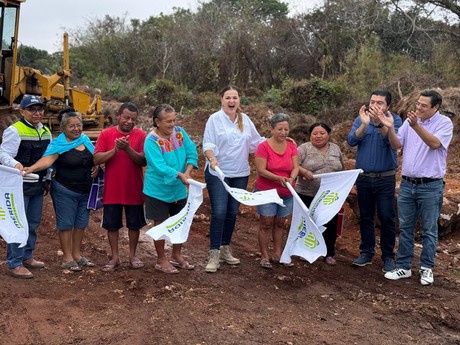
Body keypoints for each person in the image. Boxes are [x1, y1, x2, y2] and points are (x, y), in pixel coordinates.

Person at [380, 89, 453, 285]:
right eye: (418, 104)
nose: (418, 107)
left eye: (423, 105)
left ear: (435, 107)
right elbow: (396, 145)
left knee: (429, 229)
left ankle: (426, 268)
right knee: (405, 228)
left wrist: (416, 126)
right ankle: (403, 267)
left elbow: (435, 144)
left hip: (430, 186)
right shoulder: (409, 121)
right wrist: (390, 129)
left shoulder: (444, 123)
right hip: (407, 184)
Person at [24, 110, 98, 271]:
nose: (76, 129)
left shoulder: (86, 141)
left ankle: (77, 255)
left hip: (85, 191)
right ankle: (67, 257)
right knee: (66, 224)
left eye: (79, 125)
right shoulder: (59, 144)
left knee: (80, 224)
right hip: (65, 190)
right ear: (64, 128)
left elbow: (96, 158)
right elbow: (46, 160)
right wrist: (30, 169)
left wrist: (97, 166)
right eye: (72, 126)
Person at [203, 86, 264, 273]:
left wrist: (279, 142)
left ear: (239, 100)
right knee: (219, 212)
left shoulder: (245, 120)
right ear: (221, 100)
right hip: (218, 174)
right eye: (228, 97)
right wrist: (212, 159)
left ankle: (224, 248)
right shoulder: (214, 119)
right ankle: (213, 253)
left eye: (235, 97)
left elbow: (257, 143)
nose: (231, 101)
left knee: (231, 212)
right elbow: (208, 144)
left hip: (240, 174)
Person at [347, 89, 402, 273]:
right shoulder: (361, 118)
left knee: (387, 217)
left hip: (385, 178)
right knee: (366, 216)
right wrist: (364, 124)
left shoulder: (394, 120)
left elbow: (394, 143)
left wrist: (381, 125)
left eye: (379, 103)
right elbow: (351, 141)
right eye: (372, 102)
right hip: (364, 178)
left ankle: (388, 256)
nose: (375, 105)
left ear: (388, 105)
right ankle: (367, 252)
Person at [0, 94, 51, 279]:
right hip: (18, 185)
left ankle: (27, 256)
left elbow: (48, 157)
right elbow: (3, 153)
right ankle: (14, 262)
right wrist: (15, 165)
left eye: (40, 109)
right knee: (17, 223)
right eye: (32, 109)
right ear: (22, 111)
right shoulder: (15, 130)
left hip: (37, 185)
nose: (37, 113)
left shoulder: (45, 131)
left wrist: (47, 178)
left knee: (33, 222)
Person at [143, 104, 198, 274]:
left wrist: (187, 172)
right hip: (158, 190)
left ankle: (176, 255)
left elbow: (192, 152)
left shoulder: (180, 132)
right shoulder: (151, 141)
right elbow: (160, 167)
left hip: (179, 188)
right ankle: (161, 259)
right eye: (168, 121)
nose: (173, 124)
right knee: (160, 224)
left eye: (174, 120)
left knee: (179, 222)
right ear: (157, 122)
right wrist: (181, 175)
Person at [94, 102, 147, 272]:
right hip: (112, 188)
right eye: (126, 117)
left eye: (133, 119)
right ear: (118, 116)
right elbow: (96, 159)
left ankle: (132, 256)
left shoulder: (141, 135)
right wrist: (115, 150)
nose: (130, 121)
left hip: (134, 187)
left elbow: (143, 160)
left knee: (134, 224)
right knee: (112, 225)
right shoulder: (106, 134)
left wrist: (127, 148)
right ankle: (115, 257)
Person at [296, 122, 344, 266]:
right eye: (314, 133)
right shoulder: (303, 149)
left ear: (328, 135)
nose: (318, 136)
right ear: (310, 135)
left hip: (330, 195)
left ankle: (328, 253)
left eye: (322, 133)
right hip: (306, 193)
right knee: (308, 223)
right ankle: (306, 251)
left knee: (330, 223)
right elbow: (293, 166)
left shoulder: (336, 149)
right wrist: (304, 172)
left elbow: (342, 168)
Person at [254, 113, 298, 269]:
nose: (283, 132)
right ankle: (264, 255)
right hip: (266, 190)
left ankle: (278, 254)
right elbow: (261, 170)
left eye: (286, 129)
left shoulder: (292, 145)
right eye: (280, 129)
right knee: (266, 222)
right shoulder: (263, 147)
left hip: (286, 192)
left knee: (280, 223)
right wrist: (278, 178)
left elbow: (295, 167)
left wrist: (292, 178)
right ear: (271, 129)